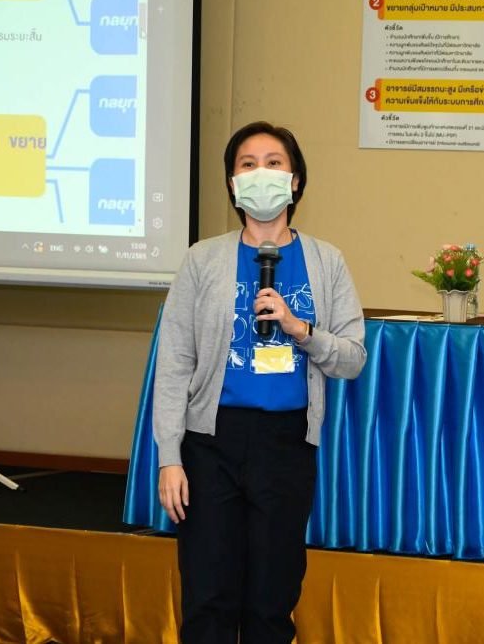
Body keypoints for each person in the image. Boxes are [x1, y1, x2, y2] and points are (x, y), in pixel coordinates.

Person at [153, 121, 367, 644]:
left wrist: (300, 329)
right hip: (211, 443)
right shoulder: (202, 259)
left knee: (272, 600)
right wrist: (169, 457)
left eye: (274, 163)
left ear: (295, 181)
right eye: (247, 164)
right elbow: (175, 362)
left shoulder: (327, 260)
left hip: (287, 444)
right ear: (232, 183)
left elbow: (352, 359)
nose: (260, 173)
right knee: (208, 597)